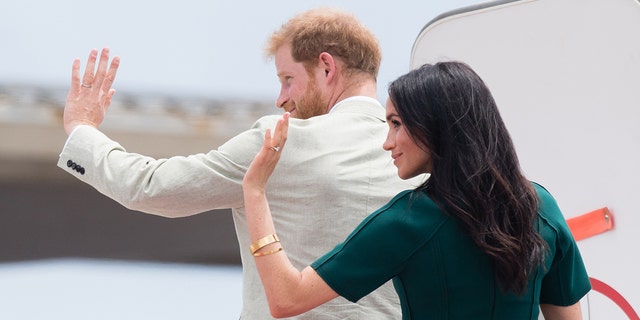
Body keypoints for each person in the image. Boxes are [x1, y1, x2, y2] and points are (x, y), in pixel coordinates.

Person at [58, 7, 423, 319]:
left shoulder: (280, 142)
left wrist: (82, 130)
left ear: (326, 67)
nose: (281, 99)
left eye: (287, 79)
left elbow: (152, 187)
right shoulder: (420, 160)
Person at [242, 61, 592, 319]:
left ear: (436, 126)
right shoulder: (539, 206)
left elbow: (286, 299)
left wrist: (255, 191)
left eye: (396, 124)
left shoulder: (408, 221)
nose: (387, 143)